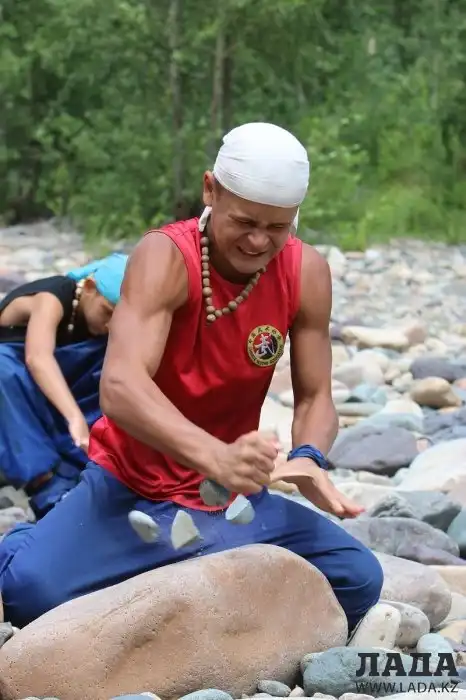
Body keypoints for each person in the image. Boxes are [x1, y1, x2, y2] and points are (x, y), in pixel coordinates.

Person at [0, 122, 383, 631]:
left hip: (228, 499)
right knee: (28, 591)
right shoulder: (165, 256)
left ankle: (167, 568)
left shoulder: (305, 271)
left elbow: (315, 397)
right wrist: (218, 456)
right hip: (130, 485)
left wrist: (309, 457)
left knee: (358, 579)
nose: (258, 241)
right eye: (244, 221)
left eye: (277, 227)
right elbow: (120, 386)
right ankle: (37, 541)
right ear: (210, 190)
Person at [0, 253, 128, 517]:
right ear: (89, 288)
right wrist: (74, 418)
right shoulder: (52, 295)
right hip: (16, 384)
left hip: (57, 384)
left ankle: (86, 469)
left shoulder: (104, 326)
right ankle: (46, 484)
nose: (108, 325)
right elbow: (37, 358)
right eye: (107, 312)